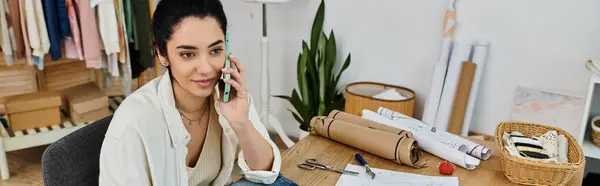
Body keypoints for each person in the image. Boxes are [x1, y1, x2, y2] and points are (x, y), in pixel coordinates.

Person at [98, 0, 297, 185]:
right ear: (162, 54)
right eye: (188, 54)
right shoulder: (132, 126)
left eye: (215, 51)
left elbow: (266, 172)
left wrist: (240, 121)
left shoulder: (227, 97)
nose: (206, 68)